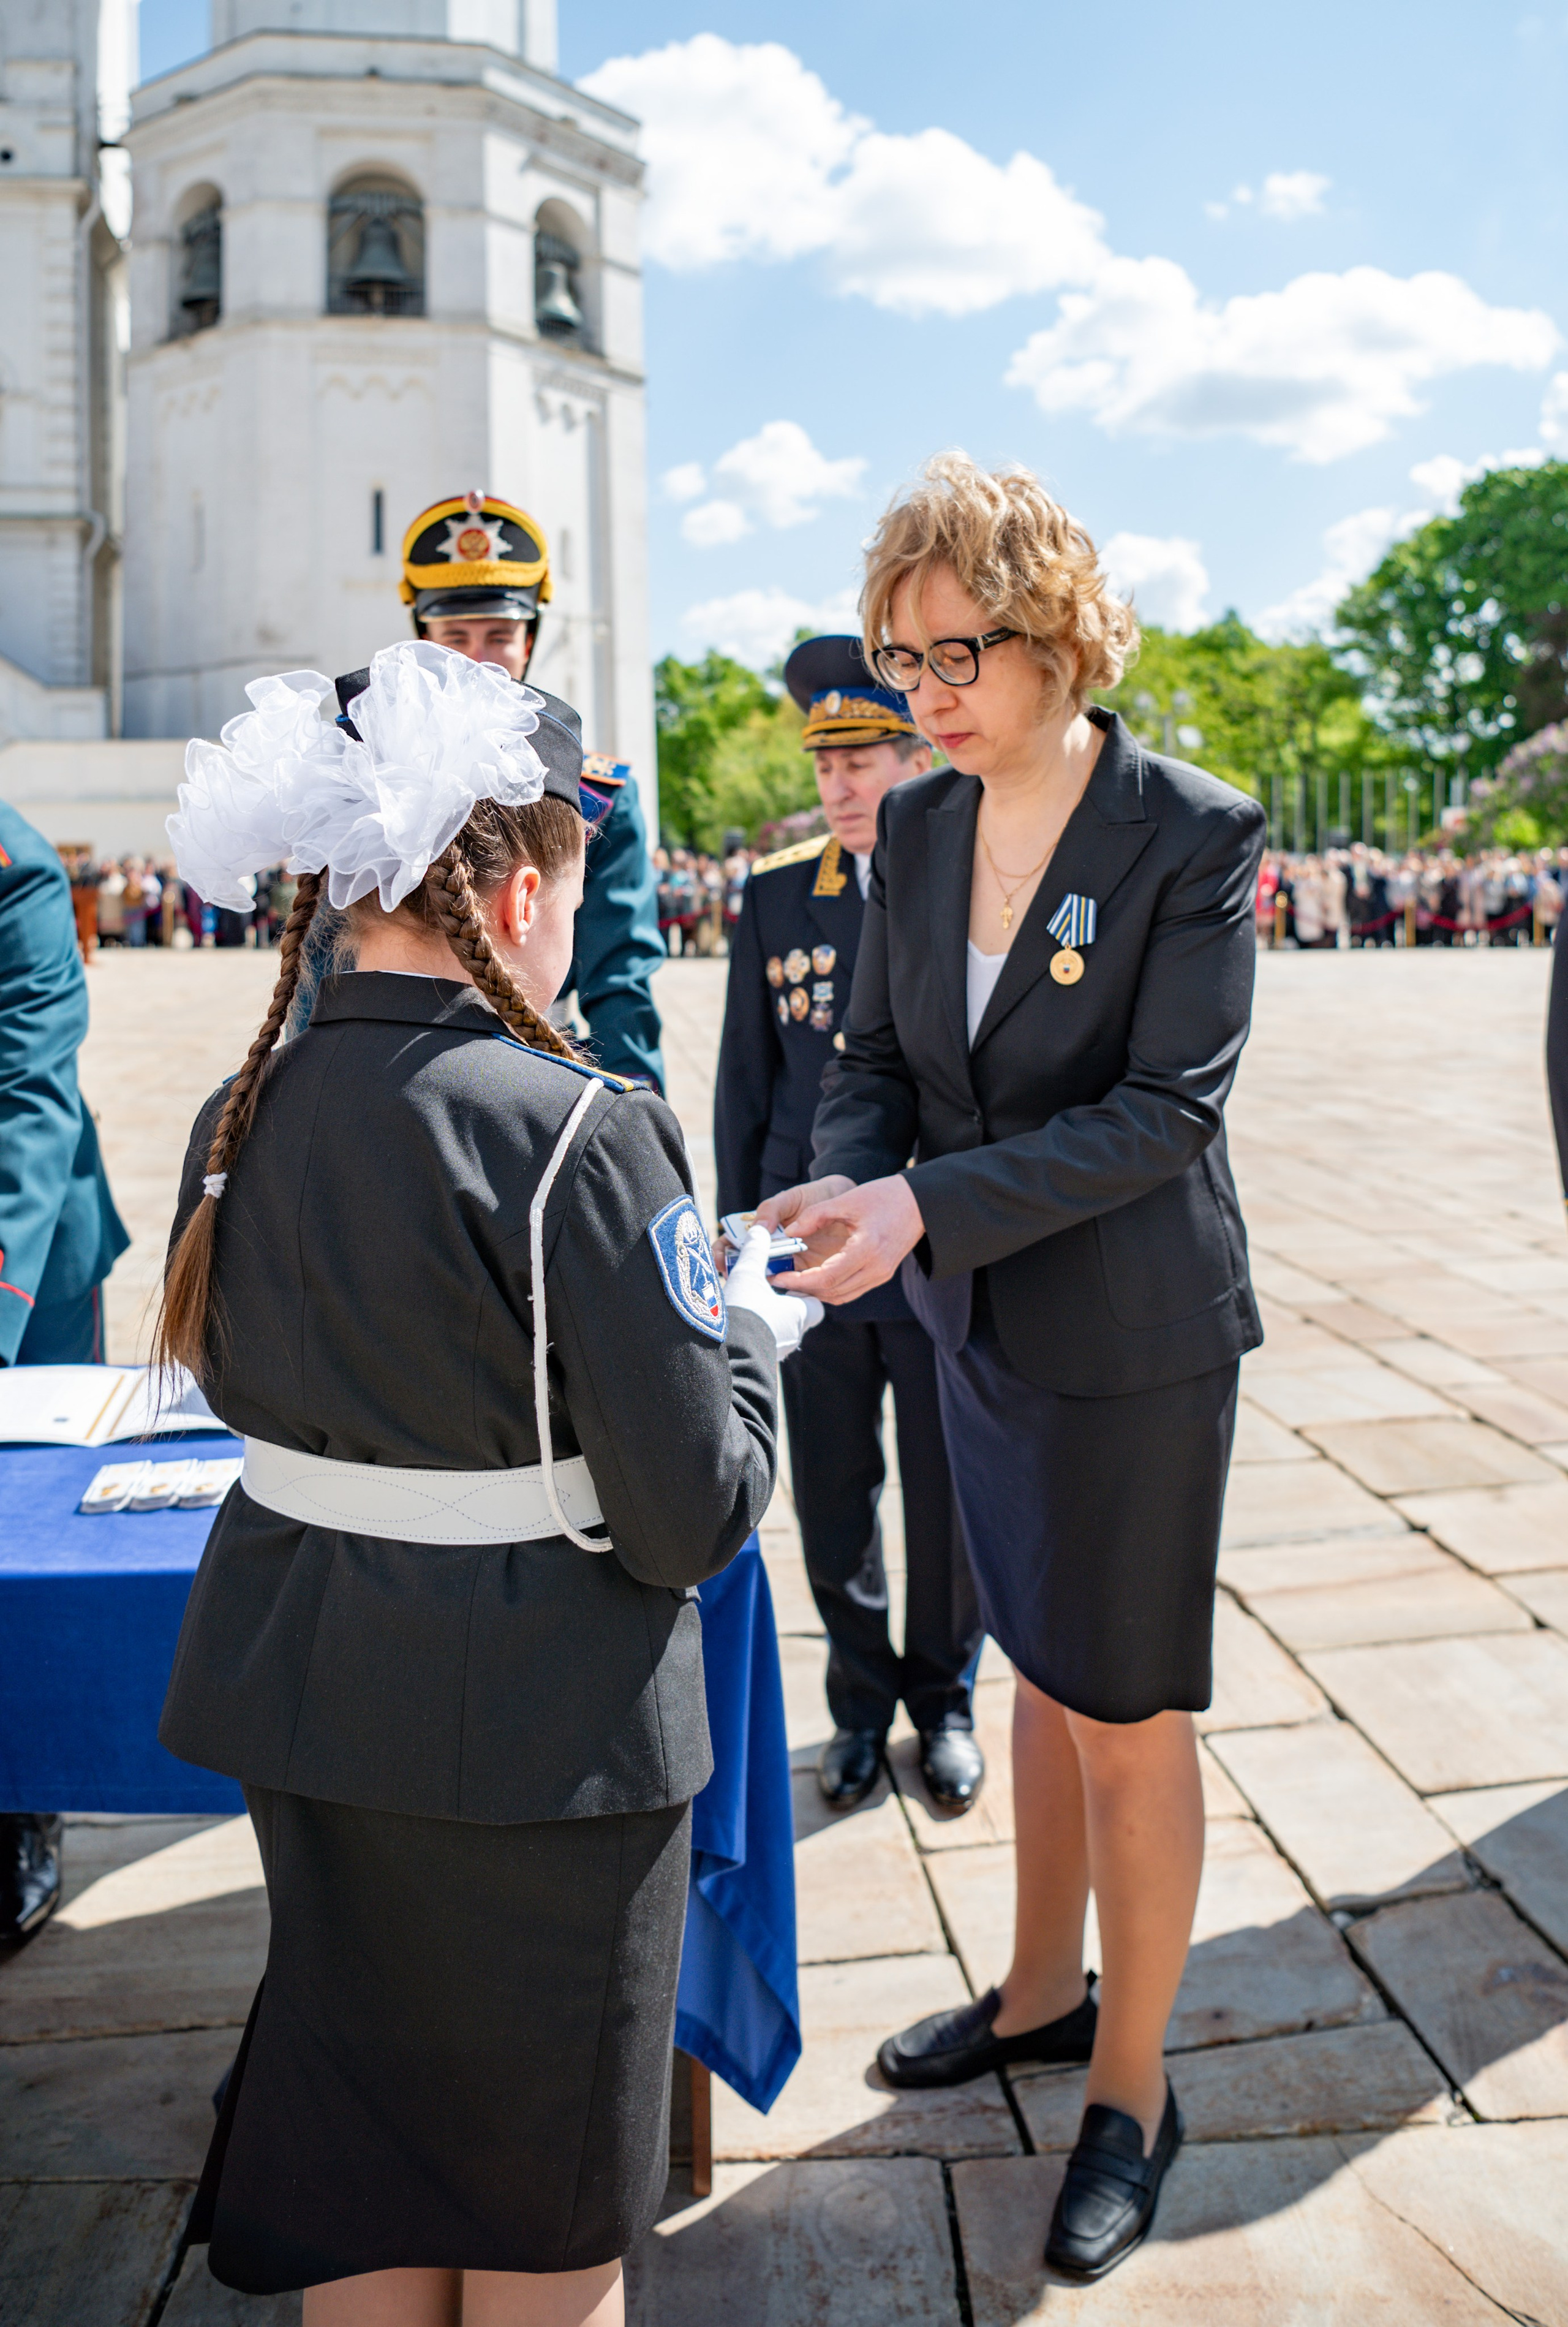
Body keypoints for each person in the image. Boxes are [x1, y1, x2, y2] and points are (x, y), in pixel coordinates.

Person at [155, 641, 813, 2321]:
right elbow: (694, 1508)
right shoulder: (588, 1125)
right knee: (539, 2219)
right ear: (519, 895)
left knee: (362, 2170)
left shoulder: (240, 1109)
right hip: (550, 1741)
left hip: (309, 1697)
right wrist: (740, 1324)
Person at [761, 455, 1266, 2282]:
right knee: (1040, 1678)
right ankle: (1044, 1992)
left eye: (953, 651)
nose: (924, 695)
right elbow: (880, 1060)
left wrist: (918, 1208)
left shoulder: (1187, 833)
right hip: (977, 1322)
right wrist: (850, 1173)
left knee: (1124, 1710)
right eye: (902, 662)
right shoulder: (909, 828)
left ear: (1054, 630)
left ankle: (1133, 2088)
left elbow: (1161, 1115)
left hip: (1130, 1343)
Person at [714, 635, 984, 1813]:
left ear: (916, 752)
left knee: (951, 1490)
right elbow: (747, 1079)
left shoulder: (972, 878)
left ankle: (949, 1698)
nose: (842, 785)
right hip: (811, 1258)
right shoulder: (779, 894)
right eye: (827, 763)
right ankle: (860, 1705)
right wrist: (742, 1251)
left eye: (866, 756)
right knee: (831, 1494)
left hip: (936, 1243)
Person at [399, 491, 666, 1088]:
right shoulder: (374, 782)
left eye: (500, 634)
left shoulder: (596, 795)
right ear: (421, 638)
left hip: (535, 1078)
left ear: (530, 641)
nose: (479, 659)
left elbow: (619, 984)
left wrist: (636, 1129)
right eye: (454, 635)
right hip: (388, 1077)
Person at [0, 803, 130, 1942]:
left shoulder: (16, 867)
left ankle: (21, 1814)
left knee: (17, 1553)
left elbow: (27, 1099)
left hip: (24, 1262)